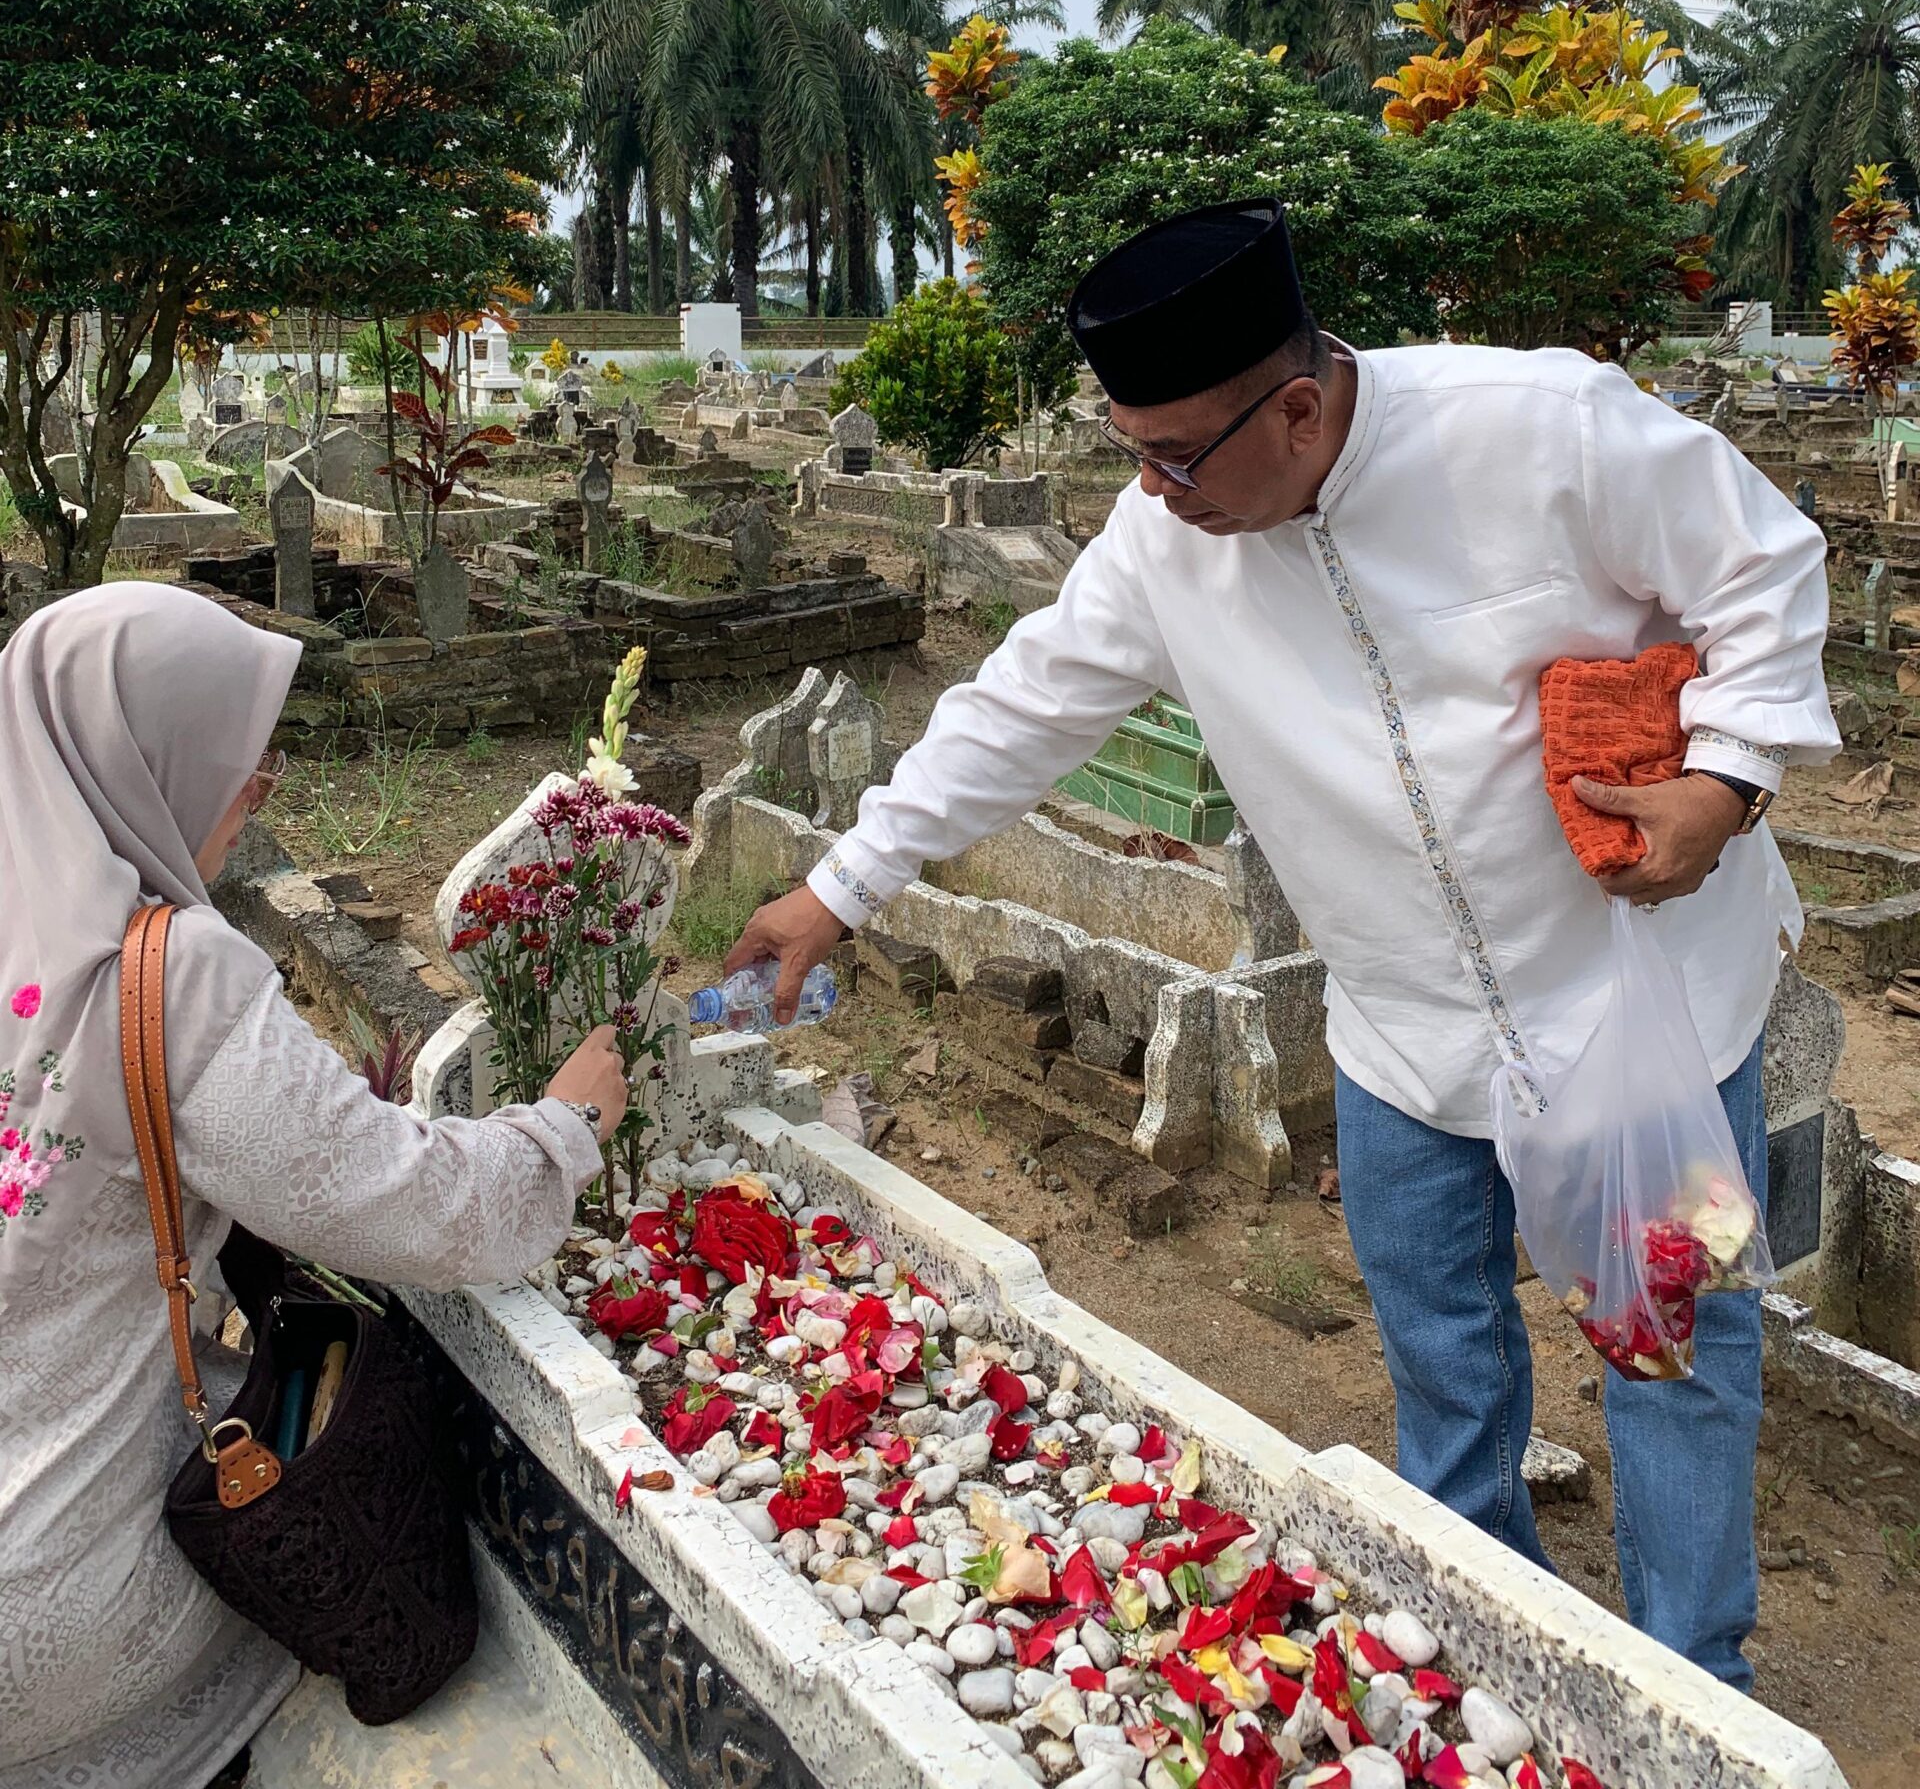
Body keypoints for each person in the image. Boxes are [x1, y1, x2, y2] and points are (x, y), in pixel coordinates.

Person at [729, 196, 1836, 1690]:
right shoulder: (1162, 535)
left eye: (1176, 455)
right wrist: (837, 887)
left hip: (1627, 1005)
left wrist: (1725, 779)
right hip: (1400, 1031)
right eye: (1130, 450)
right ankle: (1492, 1649)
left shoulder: (1543, 430)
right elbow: (1020, 707)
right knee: (1445, 1353)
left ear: (1299, 405)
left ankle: (1694, 1693)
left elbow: (1766, 569)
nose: (1152, 490)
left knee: (1670, 1354)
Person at [0, 585, 627, 1789]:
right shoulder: (165, 980)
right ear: (141, 758)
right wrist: (566, 1125)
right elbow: (407, 1202)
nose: (254, 790)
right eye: (241, 759)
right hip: (57, 1601)